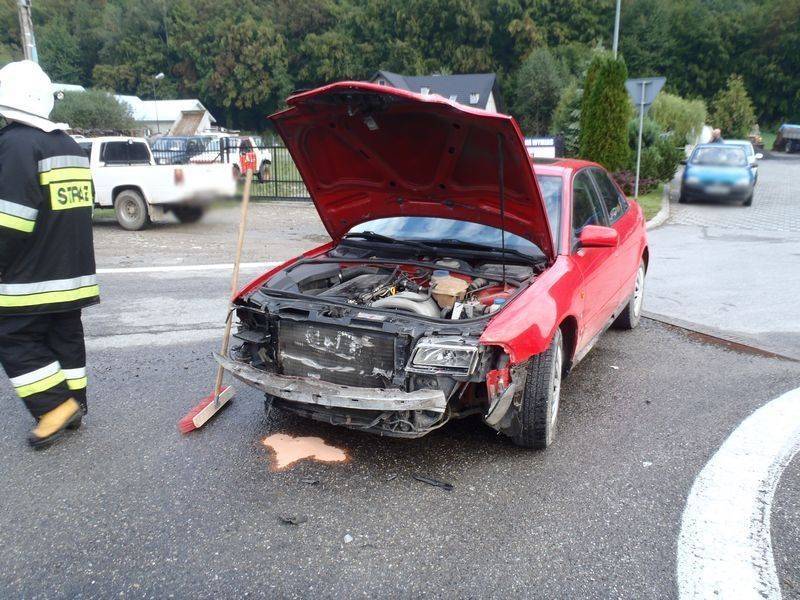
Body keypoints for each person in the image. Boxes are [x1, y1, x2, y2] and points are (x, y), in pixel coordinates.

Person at [0, 60, 98, 448]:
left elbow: (10, 220)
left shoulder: (16, 145)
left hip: (31, 276)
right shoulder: (69, 145)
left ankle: (55, 407)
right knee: (65, 335)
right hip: (73, 272)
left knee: (14, 338)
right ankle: (75, 404)